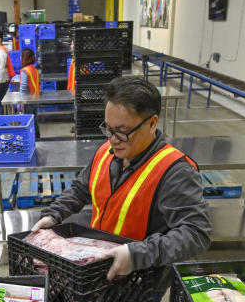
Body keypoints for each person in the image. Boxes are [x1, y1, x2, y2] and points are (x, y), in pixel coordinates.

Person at [32, 76, 211, 284]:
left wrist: (136, 254)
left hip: (138, 279)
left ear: (152, 123)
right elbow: (81, 188)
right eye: (108, 128)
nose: (113, 139)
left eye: (123, 132)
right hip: (98, 263)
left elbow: (196, 233)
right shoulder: (105, 152)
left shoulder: (174, 170)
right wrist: (54, 214)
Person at [18, 48, 41, 138]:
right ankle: (37, 136)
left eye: (21, 56)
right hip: (35, 100)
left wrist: (20, 103)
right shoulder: (34, 69)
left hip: (27, 101)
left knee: (28, 121)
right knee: (34, 119)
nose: (20, 58)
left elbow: (23, 89)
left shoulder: (25, 71)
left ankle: (31, 139)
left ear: (25, 57)